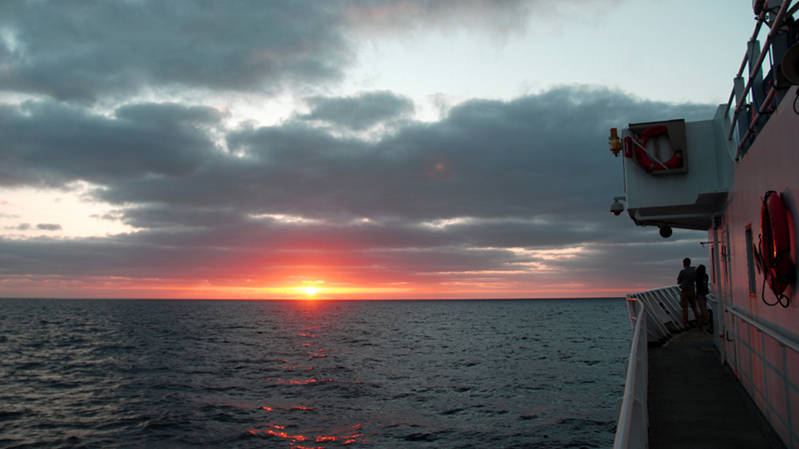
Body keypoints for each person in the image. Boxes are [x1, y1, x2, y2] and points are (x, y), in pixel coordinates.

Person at [677, 257, 698, 329]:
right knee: (694, 307)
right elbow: (696, 279)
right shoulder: (694, 271)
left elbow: (678, 281)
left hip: (685, 291)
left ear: (684, 264)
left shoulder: (682, 272)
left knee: (685, 308)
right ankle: (698, 322)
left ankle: (685, 325)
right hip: (692, 290)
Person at [695, 264, 709, 331]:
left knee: (702, 308)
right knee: (704, 307)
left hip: (700, 294)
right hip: (705, 293)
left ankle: (704, 321)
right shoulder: (706, 276)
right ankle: (705, 320)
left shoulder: (698, 276)